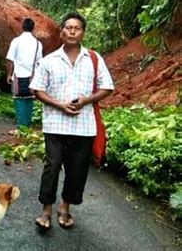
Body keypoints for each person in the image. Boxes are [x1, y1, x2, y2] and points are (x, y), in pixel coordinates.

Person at [30, 12, 114, 230]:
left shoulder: (94, 59)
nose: (72, 31)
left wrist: (86, 100)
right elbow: (37, 90)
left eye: (77, 28)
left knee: (77, 170)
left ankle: (65, 207)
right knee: (52, 166)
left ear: (83, 32)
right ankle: (46, 210)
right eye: (68, 27)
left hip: (84, 126)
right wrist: (60, 105)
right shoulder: (49, 61)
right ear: (62, 31)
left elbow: (107, 87)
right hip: (55, 124)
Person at [6, 18, 43, 130]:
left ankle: (21, 126)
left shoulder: (16, 41)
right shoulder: (38, 43)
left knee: (19, 100)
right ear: (33, 28)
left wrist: (9, 74)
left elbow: (10, 59)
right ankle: (27, 124)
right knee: (29, 99)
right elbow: (39, 62)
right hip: (32, 76)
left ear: (22, 27)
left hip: (18, 75)